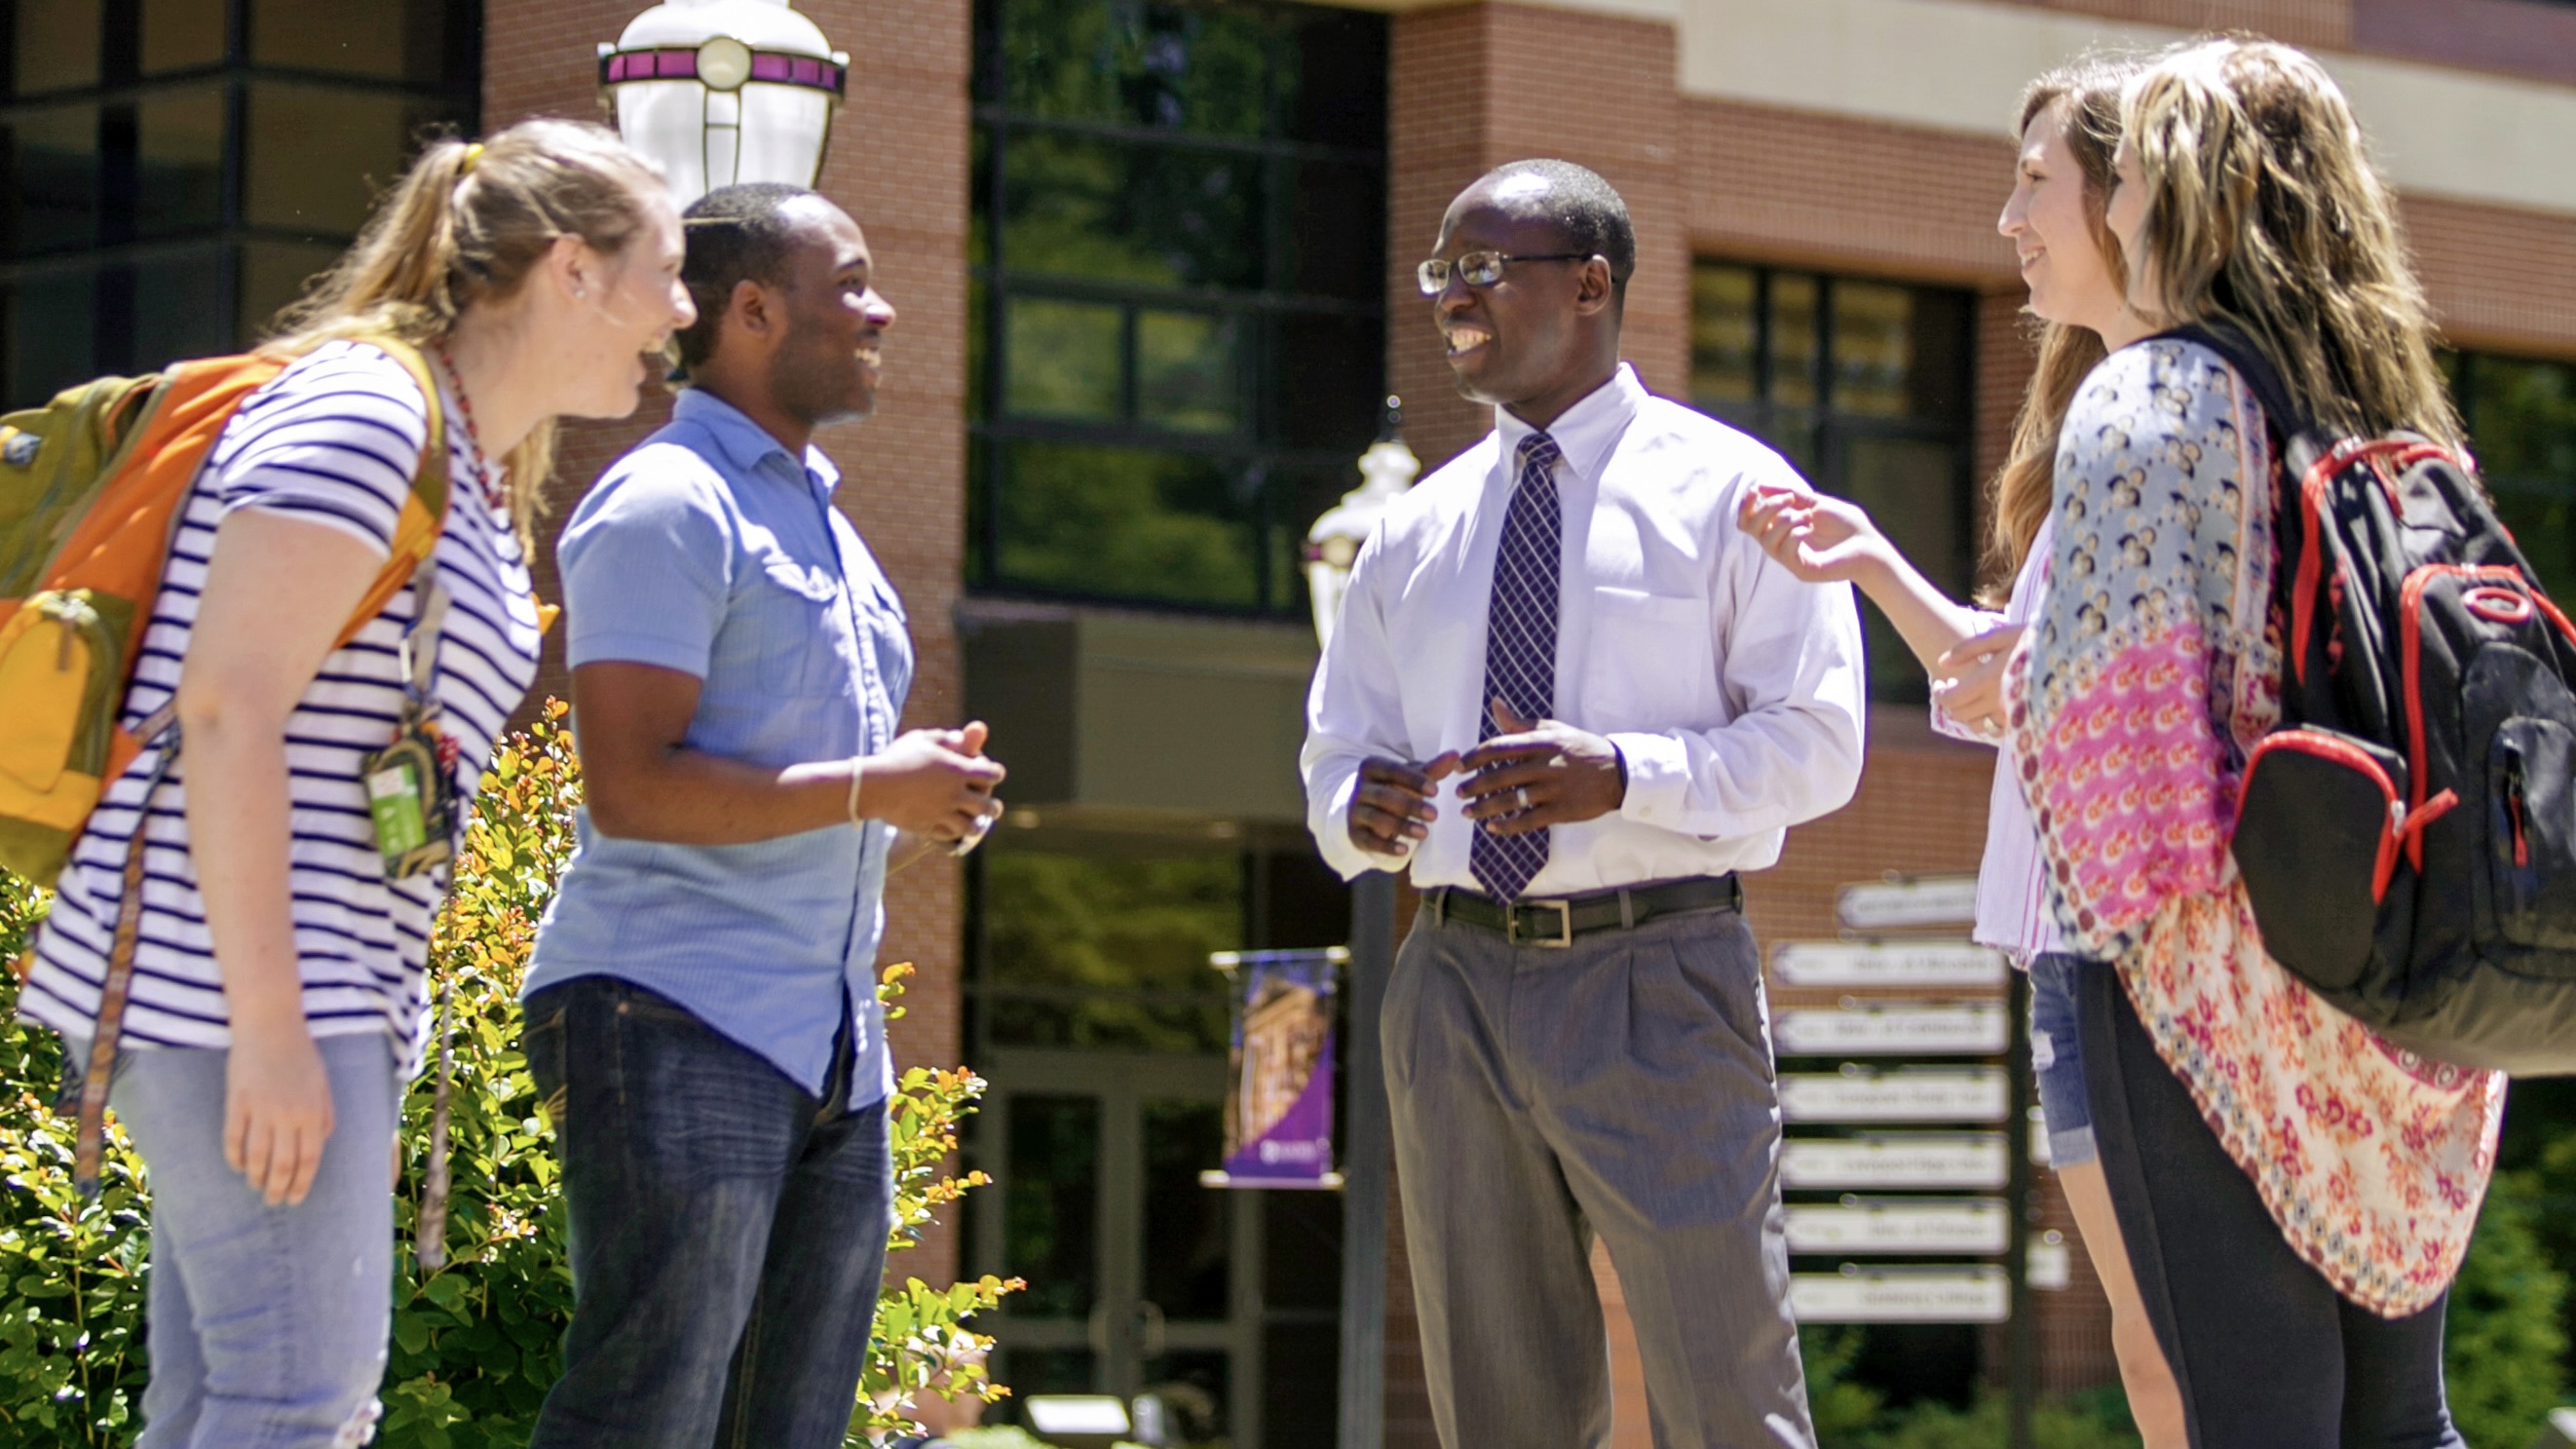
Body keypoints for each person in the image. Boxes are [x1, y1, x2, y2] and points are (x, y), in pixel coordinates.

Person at [15, 119, 690, 1447]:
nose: (675, 315)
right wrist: (274, 1028)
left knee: (225, 1407)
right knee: (296, 1411)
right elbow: (224, 706)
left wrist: (365, 1039)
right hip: (233, 988)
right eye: (663, 273)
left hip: (281, 991)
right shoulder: (369, 414)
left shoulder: (464, 455)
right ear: (569, 269)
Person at [1302, 159, 1867, 1449]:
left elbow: (1822, 744)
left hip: (1655, 969)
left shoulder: (1733, 493)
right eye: (1440, 274)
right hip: (1446, 981)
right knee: (1500, 1407)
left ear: (1593, 283)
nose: (1452, 301)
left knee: (1726, 1389)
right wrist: (1359, 810)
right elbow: (1337, 752)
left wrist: (1623, 774)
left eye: (1482, 271)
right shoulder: (1413, 529)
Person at [2004, 37, 2501, 1446]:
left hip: (2200, 996)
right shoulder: (2408, 430)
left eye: (2139, 179)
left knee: (2254, 1418)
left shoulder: (2147, 401)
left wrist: (2184, 991)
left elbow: (2116, 764)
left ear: (2192, 199)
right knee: (2404, 1425)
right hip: (2404, 979)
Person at [1735, 58, 2187, 1448]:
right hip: (2078, 944)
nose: (2007, 219)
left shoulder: (2166, 418)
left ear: (2129, 200)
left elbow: (2040, 690)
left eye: (2035, 182)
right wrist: (1872, 559)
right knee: (2150, 1335)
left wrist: (1889, 578)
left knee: (2182, 1336)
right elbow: (2009, 686)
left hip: (2146, 948)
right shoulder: (2103, 423)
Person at [520, 181, 1005, 1449]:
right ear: (747, 310)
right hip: (672, 1015)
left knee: (789, 1430)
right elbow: (630, 788)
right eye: (848, 283)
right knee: (648, 1414)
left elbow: (804, 783)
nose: (881, 308)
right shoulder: (666, 501)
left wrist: (921, 800)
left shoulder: (827, 521)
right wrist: (872, 788)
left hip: (834, 1047)